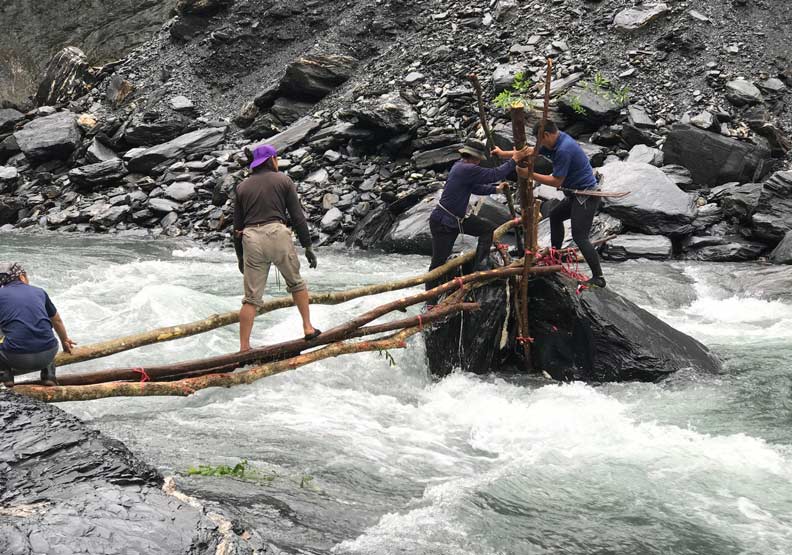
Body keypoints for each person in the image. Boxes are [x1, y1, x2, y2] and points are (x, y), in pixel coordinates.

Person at [234, 144, 321, 352]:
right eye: (276, 159)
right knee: (296, 283)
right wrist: (308, 246)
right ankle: (308, 327)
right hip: (277, 233)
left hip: (251, 238)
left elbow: (237, 227)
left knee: (251, 298)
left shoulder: (242, 187)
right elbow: (297, 217)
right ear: (272, 159)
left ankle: (244, 347)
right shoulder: (283, 180)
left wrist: (239, 257)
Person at [426, 139, 529, 291]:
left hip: (456, 220)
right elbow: (495, 174)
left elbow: (475, 188)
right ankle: (430, 299)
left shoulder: (461, 167)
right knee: (438, 262)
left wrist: (497, 190)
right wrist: (514, 160)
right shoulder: (466, 168)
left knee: (487, 229)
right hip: (444, 222)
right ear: (475, 157)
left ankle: (481, 266)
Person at [517, 120, 606, 288]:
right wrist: (503, 153)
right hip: (574, 194)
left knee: (580, 237)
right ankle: (555, 256)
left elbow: (556, 181)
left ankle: (598, 277)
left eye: (540, 140)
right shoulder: (555, 141)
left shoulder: (564, 149)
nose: (540, 144)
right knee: (556, 216)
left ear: (547, 135)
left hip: (586, 196)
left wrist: (529, 174)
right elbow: (530, 151)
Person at [0, 263, 76, 387]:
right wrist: (65, 341)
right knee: (42, 328)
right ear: (22, 277)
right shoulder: (39, 291)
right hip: (48, 353)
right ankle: (48, 374)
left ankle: (5, 374)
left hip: (15, 358)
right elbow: (56, 321)